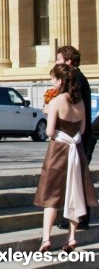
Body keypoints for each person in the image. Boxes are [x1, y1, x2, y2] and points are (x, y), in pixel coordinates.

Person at [33, 64, 97, 253]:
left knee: (51, 197)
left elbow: (50, 131)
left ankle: (46, 239)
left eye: (53, 78)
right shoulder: (80, 103)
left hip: (58, 150)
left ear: (60, 81)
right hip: (75, 149)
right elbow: (83, 130)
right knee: (74, 194)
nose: (51, 82)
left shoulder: (56, 102)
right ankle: (72, 237)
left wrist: (48, 113)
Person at [54, 46, 93, 230]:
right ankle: (78, 217)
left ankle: (77, 218)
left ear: (68, 61)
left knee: (75, 179)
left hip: (75, 137)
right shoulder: (79, 77)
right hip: (79, 136)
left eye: (59, 59)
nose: (56, 63)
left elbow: (73, 107)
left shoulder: (74, 79)